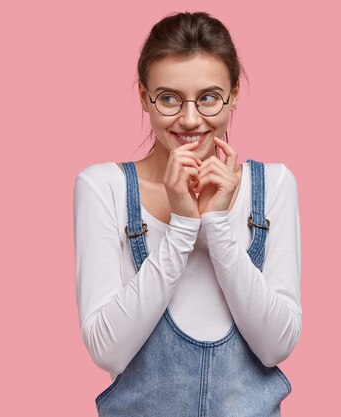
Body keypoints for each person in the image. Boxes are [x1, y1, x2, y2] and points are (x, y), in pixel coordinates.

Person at [73, 11, 301, 416]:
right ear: (145, 97)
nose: (191, 118)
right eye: (169, 98)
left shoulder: (275, 186)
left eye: (209, 97)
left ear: (234, 96)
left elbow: (276, 346)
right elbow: (108, 350)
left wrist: (216, 225)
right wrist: (181, 228)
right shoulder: (102, 187)